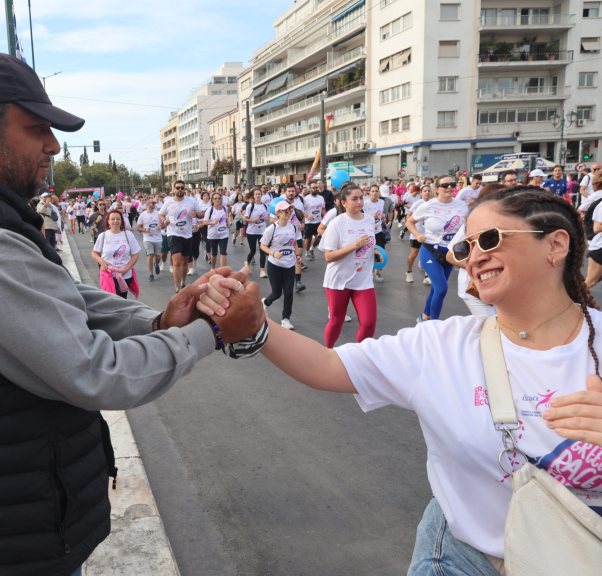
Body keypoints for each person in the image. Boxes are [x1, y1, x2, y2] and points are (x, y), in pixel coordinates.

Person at [0, 51, 265, 576]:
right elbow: (95, 373)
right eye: (37, 129)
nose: (53, 145)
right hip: (2, 542)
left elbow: (58, 293)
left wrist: (157, 320)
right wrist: (211, 333)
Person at [201, 185, 602, 576]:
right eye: (465, 247)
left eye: (491, 239)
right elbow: (326, 366)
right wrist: (255, 320)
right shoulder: (441, 344)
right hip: (465, 555)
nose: (474, 257)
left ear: (556, 245)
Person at [321, 185, 379, 347]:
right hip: (339, 281)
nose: (359, 201)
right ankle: (328, 352)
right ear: (344, 203)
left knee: (369, 323)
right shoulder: (336, 224)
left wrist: (375, 251)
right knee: (336, 321)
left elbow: (369, 243)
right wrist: (354, 245)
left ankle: (360, 355)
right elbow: (329, 256)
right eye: (354, 199)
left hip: (363, 280)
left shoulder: (369, 219)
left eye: (361, 197)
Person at [407, 176, 469, 322]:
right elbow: (410, 221)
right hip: (430, 251)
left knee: (436, 288)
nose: (449, 187)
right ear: (437, 189)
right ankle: (433, 326)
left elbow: (466, 226)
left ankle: (424, 317)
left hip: (450, 253)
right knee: (441, 288)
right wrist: (417, 234)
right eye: (445, 185)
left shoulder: (462, 205)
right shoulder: (428, 206)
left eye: (452, 184)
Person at [447, 183, 505, 316]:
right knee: (491, 327)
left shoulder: (513, 225)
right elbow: (450, 255)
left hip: (501, 287)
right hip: (474, 289)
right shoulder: (472, 224)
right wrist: (479, 267)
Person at [260, 200, 304, 330]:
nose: (289, 212)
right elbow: (262, 245)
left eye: (290, 210)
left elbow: (295, 242)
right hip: (275, 265)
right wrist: (273, 254)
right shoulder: (272, 229)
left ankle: (285, 319)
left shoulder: (294, 227)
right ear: (278, 213)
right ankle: (266, 302)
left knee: (289, 292)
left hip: (289, 264)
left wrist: (297, 255)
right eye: (286, 210)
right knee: (277, 293)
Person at [159, 180, 203, 293]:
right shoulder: (168, 202)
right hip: (173, 234)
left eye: (182, 188)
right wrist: (164, 221)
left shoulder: (191, 201)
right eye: (178, 188)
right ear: (174, 189)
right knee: (177, 261)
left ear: (184, 189)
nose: (180, 190)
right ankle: (177, 288)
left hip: (187, 234)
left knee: (184, 261)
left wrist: (196, 215)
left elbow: (202, 213)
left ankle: (183, 282)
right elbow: (161, 214)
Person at [92, 209, 141, 298]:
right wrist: (102, 262)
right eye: (113, 219)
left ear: (122, 221)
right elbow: (94, 253)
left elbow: (136, 254)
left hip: (125, 273)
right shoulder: (102, 236)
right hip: (108, 273)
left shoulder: (128, 235)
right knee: (112, 299)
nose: (115, 221)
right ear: (108, 221)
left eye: (118, 219)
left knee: (122, 299)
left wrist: (126, 269)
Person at [242, 188, 269, 277]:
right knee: (253, 251)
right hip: (252, 232)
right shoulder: (250, 206)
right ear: (253, 196)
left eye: (259, 194)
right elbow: (245, 219)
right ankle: (247, 264)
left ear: (261, 195)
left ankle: (262, 271)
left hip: (262, 232)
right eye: (256, 194)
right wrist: (254, 220)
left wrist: (266, 219)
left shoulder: (265, 206)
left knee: (262, 251)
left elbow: (267, 216)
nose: (257, 195)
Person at [200, 191, 230, 271]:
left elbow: (226, 218)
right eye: (215, 198)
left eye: (219, 198)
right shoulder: (210, 210)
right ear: (212, 200)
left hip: (223, 234)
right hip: (213, 235)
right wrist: (213, 222)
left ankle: (223, 271)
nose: (217, 200)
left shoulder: (224, 208)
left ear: (221, 199)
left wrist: (228, 222)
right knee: (214, 253)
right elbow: (204, 222)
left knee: (223, 252)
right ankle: (213, 268)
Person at [364, 185, 387, 283]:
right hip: (368, 231)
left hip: (378, 230)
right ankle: (367, 271)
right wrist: (371, 216)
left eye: (376, 191)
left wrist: (383, 218)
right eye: (372, 191)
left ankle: (376, 271)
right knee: (368, 251)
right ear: (369, 192)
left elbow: (381, 212)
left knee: (380, 249)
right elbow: (362, 216)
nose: (374, 193)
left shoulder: (382, 202)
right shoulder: (365, 203)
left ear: (379, 193)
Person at [136, 198, 163, 281]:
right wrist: (145, 230)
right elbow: (138, 227)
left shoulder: (158, 214)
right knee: (150, 255)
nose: (154, 204)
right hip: (147, 238)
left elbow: (164, 223)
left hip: (158, 238)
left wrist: (161, 226)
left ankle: (156, 264)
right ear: (147, 204)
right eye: (152, 203)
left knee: (157, 257)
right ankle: (151, 274)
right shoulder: (143, 215)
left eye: (155, 203)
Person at [302, 185, 324, 261]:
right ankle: (307, 253)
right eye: (313, 188)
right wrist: (307, 216)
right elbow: (302, 210)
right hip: (309, 222)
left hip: (319, 221)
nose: (315, 189)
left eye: (316, 188)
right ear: (310, 189)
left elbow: (323, 208)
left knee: (319, 238)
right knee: (309, 238)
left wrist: (325, 218)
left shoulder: (321, 198)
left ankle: (312, 248)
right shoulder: (306, 199)